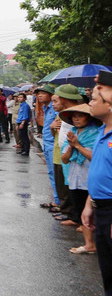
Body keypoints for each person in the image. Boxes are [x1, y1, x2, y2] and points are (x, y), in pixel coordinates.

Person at [78, 70, 112, 296]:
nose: (90, 101)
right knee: (108, 270)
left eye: (95, 96)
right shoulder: (104, 131)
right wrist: (90, 203)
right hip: (101, 208)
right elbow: (101, 172)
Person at [59, 103, 101, 245]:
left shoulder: (96, 133)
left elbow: (95, 157)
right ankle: (89, 242)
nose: (76, 119)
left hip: (89, 177)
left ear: (88, 118)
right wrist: (71, 145)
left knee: (92, 212)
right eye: (74, 117)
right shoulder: (72, 132)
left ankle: (92, 242)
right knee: (79, 206)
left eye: (80, 116)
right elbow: (64, 159)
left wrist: (77, 145)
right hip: (75, 177)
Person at [53, 84, 86, 221]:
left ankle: (73, 215)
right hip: (65, 151)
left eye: (57, 99)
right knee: (66, 182)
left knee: (71, 184)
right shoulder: (65, 113)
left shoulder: (76, 113)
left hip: (74, 153)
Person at [36, 84, 60, 211]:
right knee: (51, 172)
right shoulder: (46, 108)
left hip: (53, 144)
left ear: (51, 95)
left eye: (43, 93)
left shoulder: (55, 109)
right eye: (39, 93)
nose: (40, 95)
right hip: (47, 143)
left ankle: (59, 201)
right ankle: (56, 200)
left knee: (56, 173)